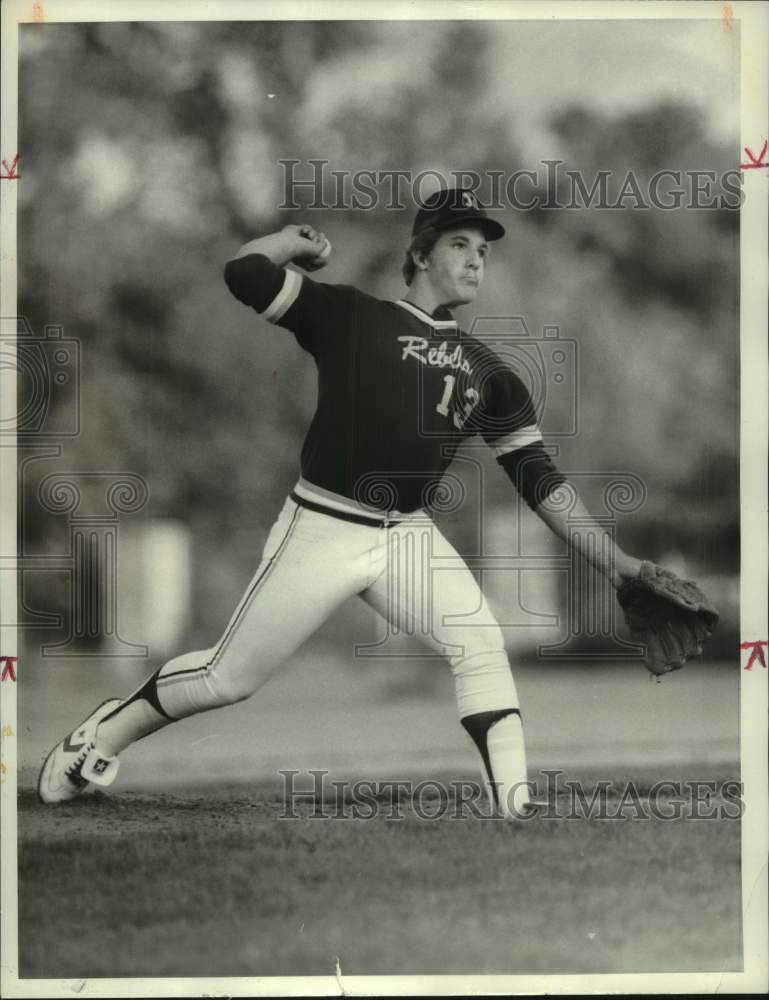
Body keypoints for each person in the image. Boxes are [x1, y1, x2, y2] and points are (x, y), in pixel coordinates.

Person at [38, 187, 642, 816]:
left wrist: (616, 563)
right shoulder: (355, 318)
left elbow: (540, 479)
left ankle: (515, 807)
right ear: (419, 255)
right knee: (227, 678)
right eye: (458, 244)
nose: (475, 259)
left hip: (407, 533)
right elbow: (246, 273)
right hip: (323, 526)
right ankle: (99, 736)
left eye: (482, 249)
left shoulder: (492, 372)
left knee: (481, 642)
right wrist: (291, 243)